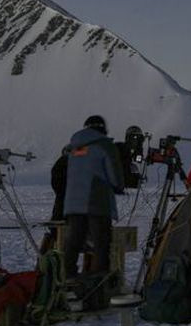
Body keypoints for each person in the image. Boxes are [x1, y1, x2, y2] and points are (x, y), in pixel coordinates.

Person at [63, 115, 125, 278]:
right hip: (96, 201)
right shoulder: (105, 145)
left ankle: (67, 278)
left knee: (74, 242)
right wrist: (119, 186)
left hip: (73, 203)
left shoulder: (73, 148)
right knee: (101, 244)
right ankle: (98, 282)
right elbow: (114, 173)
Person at [40, 145, 69, 253]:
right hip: (75, 216)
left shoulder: (59, 165)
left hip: (60, 214)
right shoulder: (82, 166)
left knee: (54, 235)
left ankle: (44, 264)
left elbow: (57, 186)